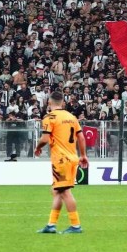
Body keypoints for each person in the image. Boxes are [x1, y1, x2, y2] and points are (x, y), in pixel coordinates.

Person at [35, 91, 89, 235]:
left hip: (61, 159)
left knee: (65, 192)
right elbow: (81, 138)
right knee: (56, 191)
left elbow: (45, 139)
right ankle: (51, 225)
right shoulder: (71, 117)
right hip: (72, 158)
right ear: (63, 103)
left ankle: (76, 226)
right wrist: (83, 155)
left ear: (49, 102)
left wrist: (37, 147)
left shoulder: (50, 117)